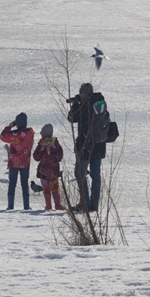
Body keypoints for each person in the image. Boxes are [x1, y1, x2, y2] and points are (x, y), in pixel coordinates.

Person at [68, 82, 108, 211]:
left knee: (79, 173)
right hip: (99, 145)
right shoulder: (100, 105)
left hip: (86, 145)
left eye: (81, 93)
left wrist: (75, 104)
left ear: (84, 93)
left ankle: (84, 203)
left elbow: (72, 117)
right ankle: (94, 203)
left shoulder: (85, 106)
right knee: (95, 174)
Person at [0, 112, 34, 210]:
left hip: (14, 162)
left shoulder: (14, 135)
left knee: (12, 182)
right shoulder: (30, 133)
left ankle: (10, 206)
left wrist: (9, 126)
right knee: (25, 182)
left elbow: (2, 136)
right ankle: (26, 206)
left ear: (17, 123)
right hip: (25, 162)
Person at [33, 124, 64, 211]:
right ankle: (57, 205)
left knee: (46, 188)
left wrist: (42, 152)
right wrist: (55, 160)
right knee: (55, 188)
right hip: (54, 171)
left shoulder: (41, 145)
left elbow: (36, 157)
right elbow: (60, 156)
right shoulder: (56, 144)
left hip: (43, 171)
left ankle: (48, 206)